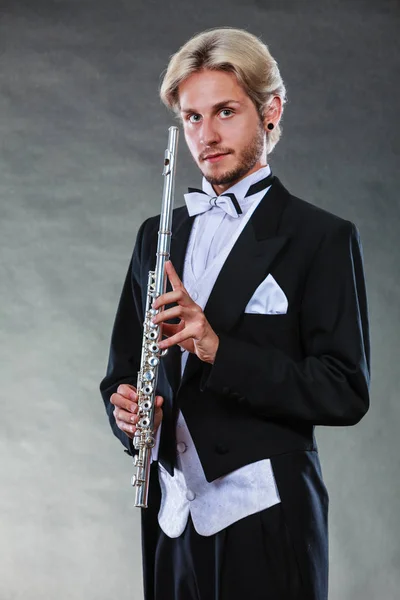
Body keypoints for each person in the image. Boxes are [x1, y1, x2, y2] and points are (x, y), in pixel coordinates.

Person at [100, 27, 370, 600]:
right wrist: (127, 410)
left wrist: (219, 350)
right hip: (172, 521)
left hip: (267, 520)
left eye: (225, 111)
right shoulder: (157, 236)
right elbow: (122, 369)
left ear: (270, 111)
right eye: (192, 118)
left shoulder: (320, 238)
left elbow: (345, 390)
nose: (207, 135)